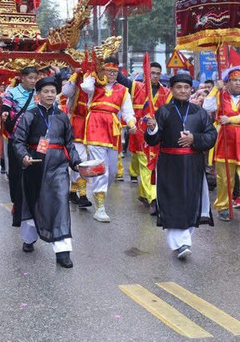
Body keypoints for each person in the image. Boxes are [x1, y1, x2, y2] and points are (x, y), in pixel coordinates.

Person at [11, 77, 82, 268]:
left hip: (58, 167)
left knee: (60, 203)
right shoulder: (30, 115)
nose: (50, 95)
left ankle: (63, 252)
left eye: (53, 91)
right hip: (35, 165)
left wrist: (77, 163)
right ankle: (29, 238)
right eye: (46, 91)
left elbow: (69, 144)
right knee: (33, 203)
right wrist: (24, 156)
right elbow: (18, 141)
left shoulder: (62, 117)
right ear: (38, 94)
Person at [145, 72, 216, 259]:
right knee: (173, 202)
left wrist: (195, 138)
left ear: (191, 89)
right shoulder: (163, 111)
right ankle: (181, 243)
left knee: (191, 202)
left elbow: (211, 136)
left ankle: (184, 241)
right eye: (178, 87)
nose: (183, 91)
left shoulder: (200, 112)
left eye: (186, 87)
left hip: (193, 163)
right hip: (170, 164)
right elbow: (153, 141)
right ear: (172, 89)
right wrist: (152, 128)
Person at [203, 69, 240, 226]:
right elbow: (207, 107)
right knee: (224, 177)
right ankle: (223, 206)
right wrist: (216, 88)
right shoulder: (220, 95)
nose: (238, 83)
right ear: (228, 82)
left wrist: (230, 119)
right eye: (234, 80)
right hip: (225, 139)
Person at [80, 57, 136, 222]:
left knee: (111, 171)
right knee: (101, 167)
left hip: (113, 128)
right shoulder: (94, 85)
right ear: (102, 70)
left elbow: (128, 112)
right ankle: (100, 207)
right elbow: (85, 86)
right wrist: (96, 72)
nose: (111, 74)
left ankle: (98, 192)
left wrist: (132, 123)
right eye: (108, 71)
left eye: (114, 72)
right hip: (95, 124)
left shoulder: (123, 90)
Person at [128, 62, 172, 213]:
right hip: (140, 134)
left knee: (152, 166)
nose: (154, 76)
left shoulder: (167, 92)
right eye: (152, 73)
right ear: (146, 73)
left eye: (157, 73)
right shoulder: (136, 87)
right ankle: (154, 199)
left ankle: (143, 194)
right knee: (146, 165)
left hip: (158, 134)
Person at [1, 67, 39, 225]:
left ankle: (34, 204)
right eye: (30, 77)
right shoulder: (12, 92)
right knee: (15, 175)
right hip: (16, 140)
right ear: (22, 78)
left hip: (36, 141)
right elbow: (5, 108)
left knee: (36, 173)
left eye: (35, 78)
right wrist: (4, 114)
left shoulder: (40, 93)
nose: (33, 81)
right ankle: (17, 204)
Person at [61, 69, 93, 208]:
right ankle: (83, 194)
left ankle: (74, 191)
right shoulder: (76, 84)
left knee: (89, 159)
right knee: (80, 160)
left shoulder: (96, 82)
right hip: (78, 125)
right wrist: (75, 75)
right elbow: (66, 92)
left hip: (93, 124)